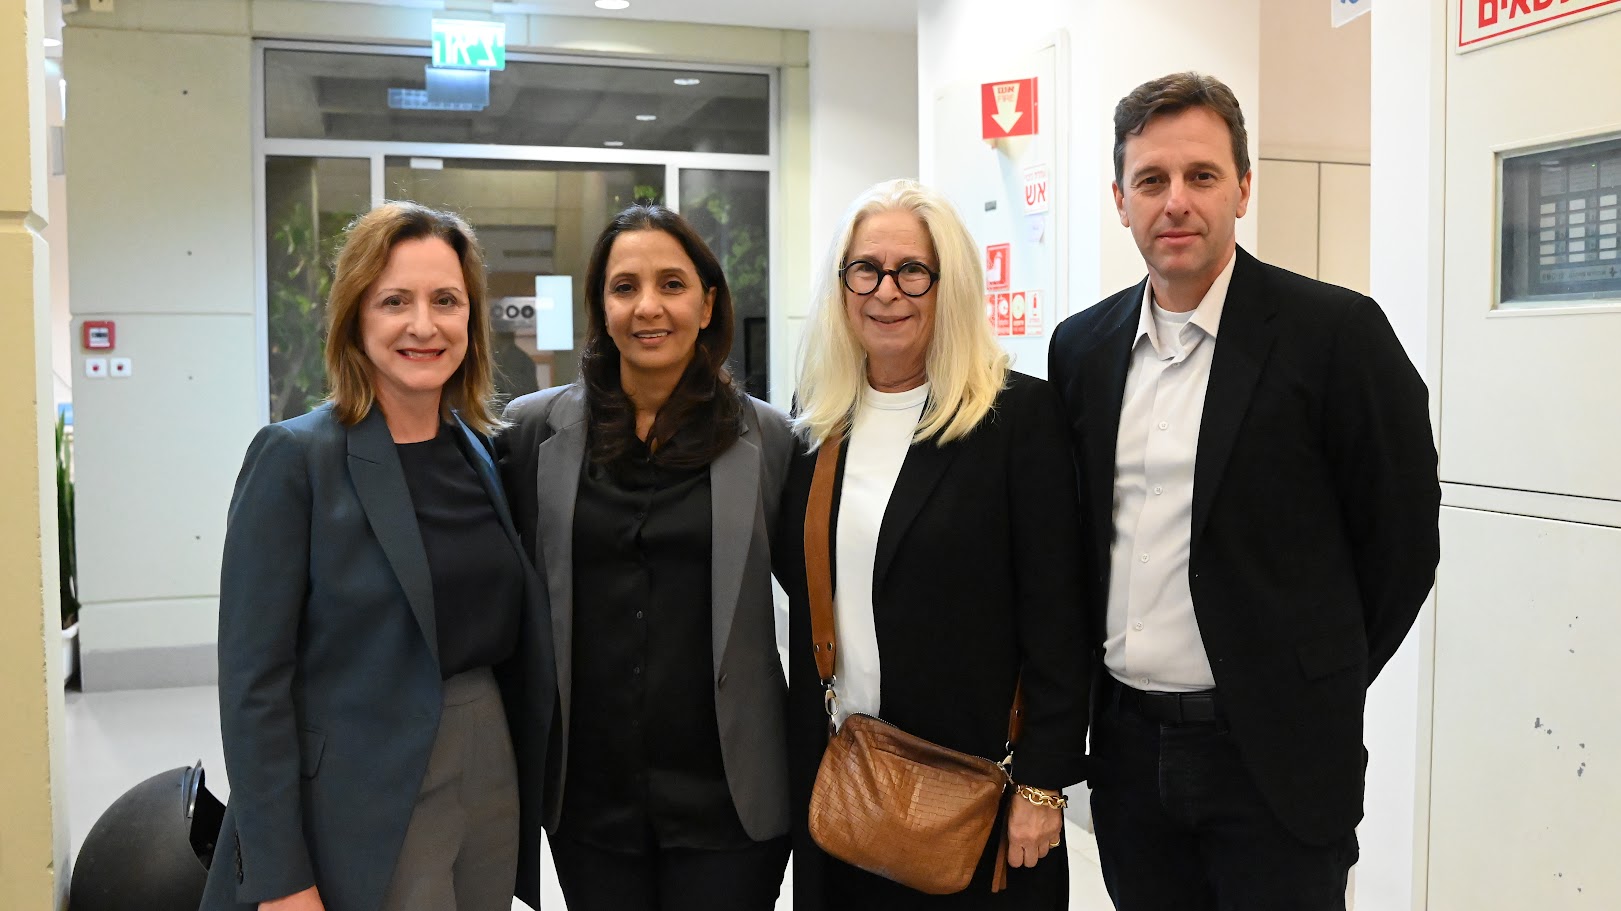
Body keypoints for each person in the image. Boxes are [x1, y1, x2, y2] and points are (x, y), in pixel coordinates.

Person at [1047, 72, 1442, 910]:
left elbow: (1401, 544)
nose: (1175, 202)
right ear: (1119, 200)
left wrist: (1307, 678)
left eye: (1200, 175)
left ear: (1243, 188)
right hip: (1126, 755)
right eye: (1150, 180)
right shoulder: (1080, 349)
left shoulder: (1335, 336)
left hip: (1275, 761)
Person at [200, 201, 556, 911]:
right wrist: (280, 877)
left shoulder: (479, 450)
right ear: (355, 317)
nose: (424, 325)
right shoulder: (296, 458)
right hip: (361, 793)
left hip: (488, 768)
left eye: (446, 300)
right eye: (395, 301)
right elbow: (253, 686)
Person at [779, 178, 1091, 910]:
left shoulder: (1015, 416)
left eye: (912, 270)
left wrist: (1042, 784)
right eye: (866, 269)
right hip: (846, 783)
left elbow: (1058, 616)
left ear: (949, 285)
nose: (886, 291)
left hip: (973, 793)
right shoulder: (819, 417)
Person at [497, 203, 794, 911]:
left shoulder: (770, 440)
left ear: (707, 303)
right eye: (625, 287)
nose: (648, 307)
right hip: (589, 799)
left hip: (729, 798)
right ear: (601, 307)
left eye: (672, 284)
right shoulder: (531, 433)